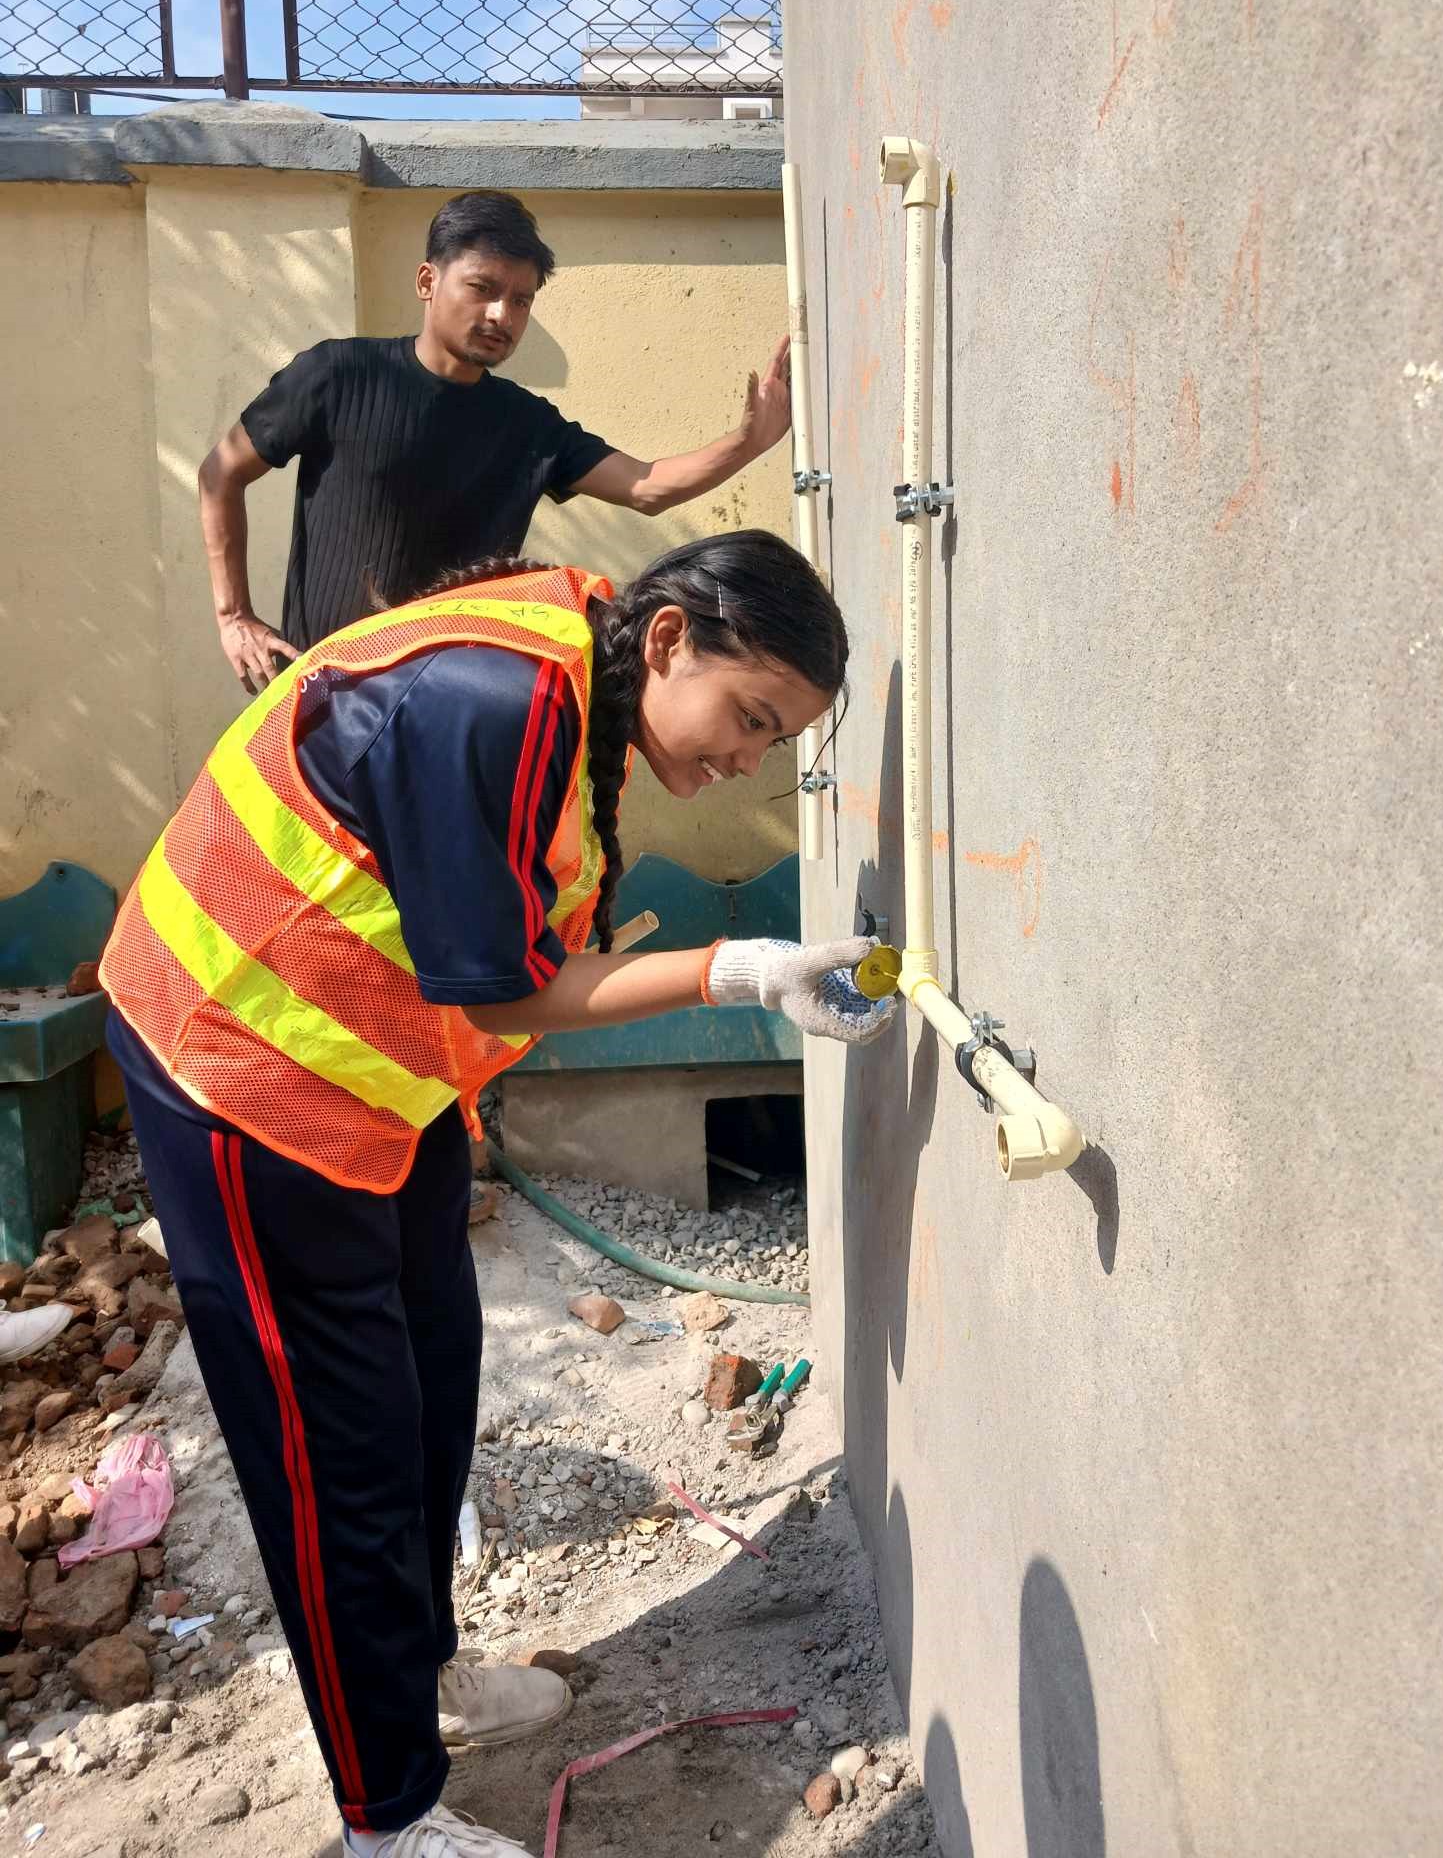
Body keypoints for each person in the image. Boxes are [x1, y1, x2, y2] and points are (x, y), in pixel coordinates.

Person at [98, 529, 891, 1857]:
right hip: (236, 1063)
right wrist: (739, 971)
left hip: (366, 1067)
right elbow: (507, 991)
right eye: (751, 718)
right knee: (340, 1454)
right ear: (670, 640)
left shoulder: (585, 669)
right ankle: (388, 1815)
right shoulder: (496, 701)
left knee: (431, 1372)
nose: (747, 760)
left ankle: (414, 1675)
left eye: (776, 741)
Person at [199, 190, 794, 694]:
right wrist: (234, 617)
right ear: (428, 281)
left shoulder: (527, 425)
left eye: (521, 299)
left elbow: (646, 487)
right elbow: (221, 473)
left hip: (455, 708)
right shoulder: (339, 375)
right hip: (322, 702)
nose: (501, 315)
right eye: (482, 288)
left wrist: (747, 443)